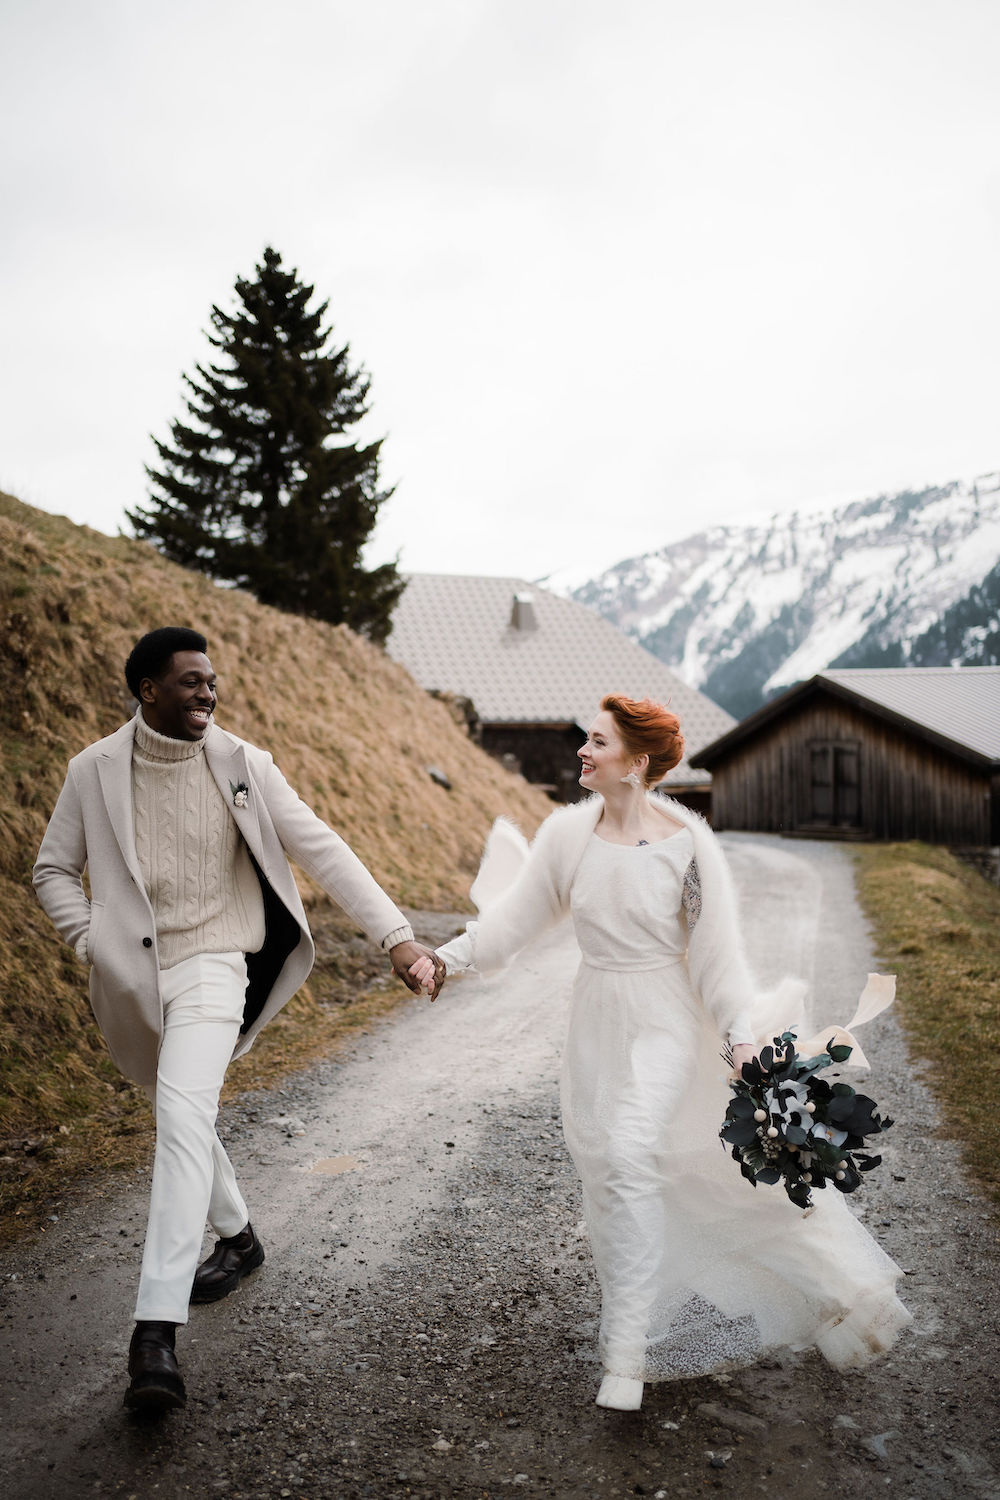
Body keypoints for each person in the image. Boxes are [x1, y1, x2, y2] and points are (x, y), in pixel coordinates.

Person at [409, 694, 910, 1411]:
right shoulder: (565, 836)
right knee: (618, 1172)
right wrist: (443, 960)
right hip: (596, 1025)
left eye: (598, 742)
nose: (582, 752)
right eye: (586, 738)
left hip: (664, 1022)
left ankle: (626, 1358)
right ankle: (709, 1310)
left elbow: (717, 962)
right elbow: (510, 924)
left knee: (632, 1154)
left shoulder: (687, 842)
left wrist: (741, 1043)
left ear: (638, 762)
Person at [33, 627, 443, 1414]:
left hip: (220, 968)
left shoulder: (245, 765)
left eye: (212, 682)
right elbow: (52, 866)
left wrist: (395, 937)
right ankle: (241, 1237)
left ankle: (154, 1330)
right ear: (147, 689)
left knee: (183, 1118)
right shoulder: (93, 769)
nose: (208, 694)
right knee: (177, 1110)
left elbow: (323, 850)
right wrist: (92, 939)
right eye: (190, 682)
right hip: (134, 978)